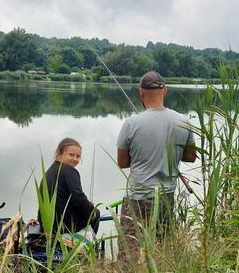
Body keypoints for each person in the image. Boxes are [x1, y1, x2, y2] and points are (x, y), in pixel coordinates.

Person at [116, 70, 197, 261]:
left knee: (130, 249)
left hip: (138, 197)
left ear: (141, 93)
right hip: (166, 197)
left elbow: (122, 162)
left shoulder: (131, 123)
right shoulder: (183, 121)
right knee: (161, 246)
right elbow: (191, 157)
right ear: (165, 91)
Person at [37, 137, 100, 237]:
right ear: (60, 153)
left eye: (78, 156)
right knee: (96, 213)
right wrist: (90, 208)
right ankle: (90, 246)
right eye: (71, 155)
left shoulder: (50, 171)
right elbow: (78, 198)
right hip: (63, 226)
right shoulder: (70, 171)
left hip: (47, 225)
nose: (75, 159)